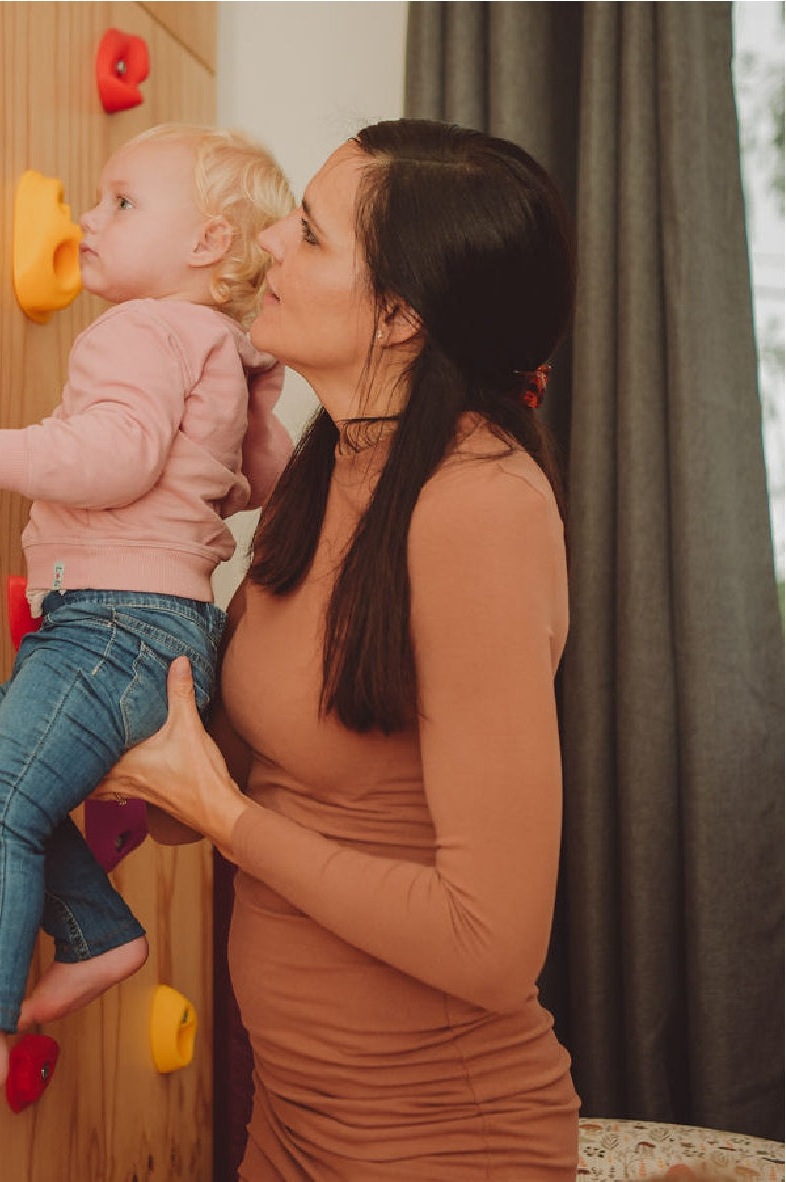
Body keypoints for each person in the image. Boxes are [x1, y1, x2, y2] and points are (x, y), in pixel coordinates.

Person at [95, 119, 581, 1179]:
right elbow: (238, 768)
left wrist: (223, 816)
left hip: (442, 1148)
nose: (269, 243)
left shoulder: (478, 510)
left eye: (310, 234)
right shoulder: (327, 465)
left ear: (399, 317)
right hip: (295, 1129)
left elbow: (493, 947)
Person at [0, 123, 295, 1128]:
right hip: (156, 631)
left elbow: (118, 455)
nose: (89, 219)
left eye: (123, 203)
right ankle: (97, 936)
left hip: (112, 624)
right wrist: (254, 399)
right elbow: (267, 483)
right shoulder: (218, 345)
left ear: (208, 244)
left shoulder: (136, 332)